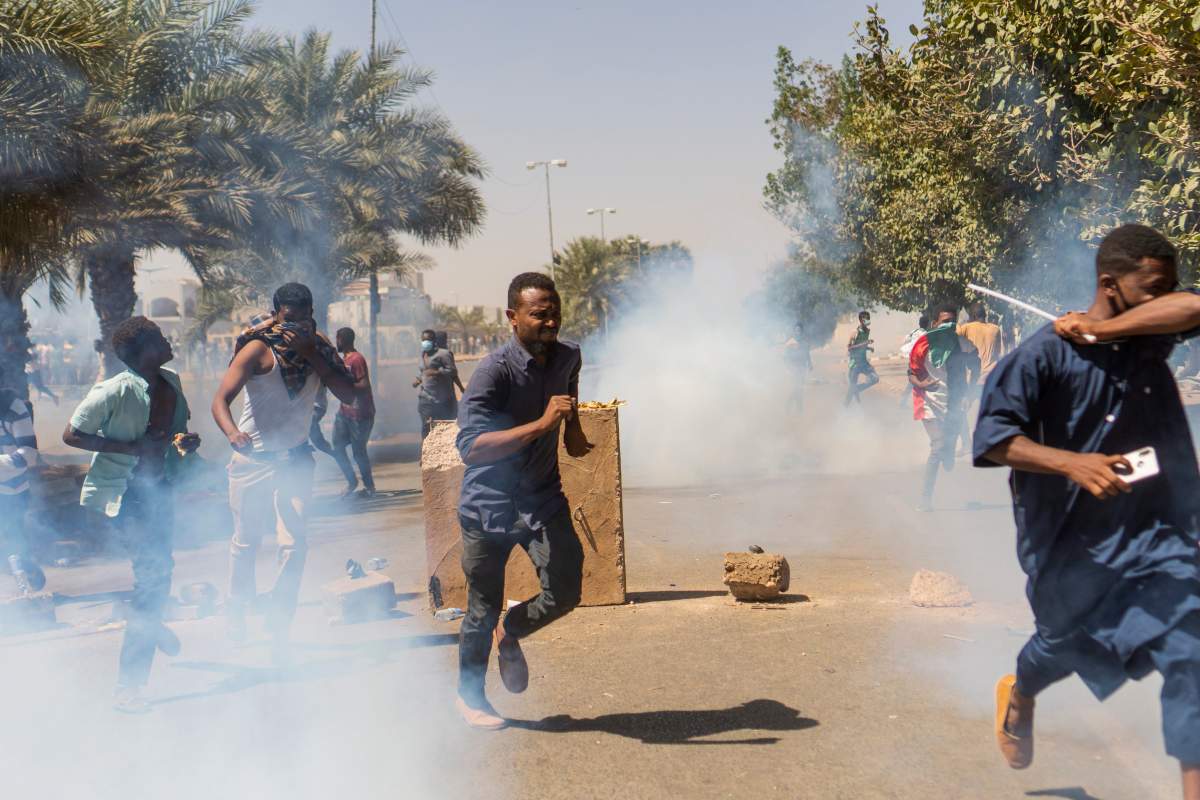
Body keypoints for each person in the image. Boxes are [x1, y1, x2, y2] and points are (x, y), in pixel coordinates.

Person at [977, 224, 1200, 799]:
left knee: (1193, 655)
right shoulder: (1042, 354)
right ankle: (1022, 692)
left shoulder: (1146, 338)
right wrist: (1074, 464)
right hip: (1072, 542)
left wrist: (1105, 328)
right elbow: (995, 439)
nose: (1165, 296)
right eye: (1153, 286)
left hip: (1157, 533)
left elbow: (1193, 306)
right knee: (1062, 646)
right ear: (1110, 282)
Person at [453, 272, 592, 730]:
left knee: (566, 592)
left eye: (554, 312)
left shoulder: (569, 355)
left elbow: (567, 391)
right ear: (513, 318)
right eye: (539, 314)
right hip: (488, 506)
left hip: (541, 498)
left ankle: (512, 631)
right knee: (480, 607)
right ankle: (470, 697)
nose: (550, 321)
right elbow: (470, 448)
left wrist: (572, 430)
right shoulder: (493, 371)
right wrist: (541, 425)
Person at [211, 283, 356, 660]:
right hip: (252, 461)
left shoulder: (318, 348)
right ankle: (237, 611)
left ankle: (279, 619)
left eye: (304, 315)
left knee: (294, 546)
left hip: (293, 460)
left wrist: (311, 352)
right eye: (289, 317)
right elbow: (220, 400)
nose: (297, 324)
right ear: (277, 313)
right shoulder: (257, 349)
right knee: (246, 545)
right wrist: (232, 433)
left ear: (312, 312)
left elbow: (350, 394)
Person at [62, 317, 200, 712]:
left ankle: (150, 621)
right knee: (152, 578)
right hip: (127, 497)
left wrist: (184, 443)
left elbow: (172, 436)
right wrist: (133, 449)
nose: (167, 339)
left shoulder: (170, 382)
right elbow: (71, 434)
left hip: (162, 491)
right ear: (143, 351)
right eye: (159, 337)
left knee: (160, 573)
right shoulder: (115, 390)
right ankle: (129, 686)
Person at [908, 303, 978, 511]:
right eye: (945, 321)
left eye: (953, 321)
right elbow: (911, 373)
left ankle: (949, 452)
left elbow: (976, 363)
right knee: (937, 447)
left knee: (947, 452)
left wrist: (970, 391)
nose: (949, 325)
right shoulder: (922, 344)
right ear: (934, 323)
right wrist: (921, 384)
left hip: (954, 402)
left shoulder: (962, 343)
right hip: (927, 401)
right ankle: (925, 500)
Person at [0, 364, 43, 595]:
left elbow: (28, 454)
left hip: (11, 490)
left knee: (12, 534)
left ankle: (24, 579)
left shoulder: (14, 409)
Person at [331, 327, 376, 498]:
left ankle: (370, 487)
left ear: (343, 339)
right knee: (337, 447)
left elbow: (364, 385)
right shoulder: (344, 359)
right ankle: (352, 481)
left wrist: (344, 385)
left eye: (337, 339)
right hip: (345, 413)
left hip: (360, 415)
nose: (336, 343)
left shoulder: (357, 359)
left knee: (358, 452)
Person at [414, 329, 458, 439]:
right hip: (425, 398)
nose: (425, 342)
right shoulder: (423, 354)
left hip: (441, 398)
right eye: (423, 340)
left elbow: (453, 372)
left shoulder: (444, 354)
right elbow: (423, 371)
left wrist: (438, 372)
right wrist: (418, 379)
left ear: (434, 341)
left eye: (427, 340)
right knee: (426, 427)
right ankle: (426, 451)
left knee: (443, 427)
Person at [844, 310, 879, 405]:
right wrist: (865, 344)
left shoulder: (867, 331)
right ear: (860, 320)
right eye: (866, 318)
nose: (868, 320)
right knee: (851, 389)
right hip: (855, 363)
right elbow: (850, 348)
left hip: (863, 362)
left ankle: (857, 389)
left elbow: (862, 346)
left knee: (875, 378)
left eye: (869, 318)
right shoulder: (854, 332)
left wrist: (868, 348)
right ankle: (846, 407)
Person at [898, 314, 930, 409]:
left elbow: (905, 340)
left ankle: (904, 401)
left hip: (911, 358)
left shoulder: (914, 332)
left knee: (913, 379)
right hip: (920, 360)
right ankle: (922, 404)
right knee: (920, 380)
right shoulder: (926, 334)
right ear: (928, 324)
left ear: (919, 323)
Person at [783, 322, 813, 413]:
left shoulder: (804, 342)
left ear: (801, 331)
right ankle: (790, 404)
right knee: (797, 388)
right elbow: (785, 357)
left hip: (802, 367)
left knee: (800, 388)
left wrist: (810, 363)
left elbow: (807, 353)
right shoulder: (790, 342)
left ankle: (799, 408)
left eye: (799, 330)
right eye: (796, 330)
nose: (798, 332)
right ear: (794, 331)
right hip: (794, 368)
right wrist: (788, 368)